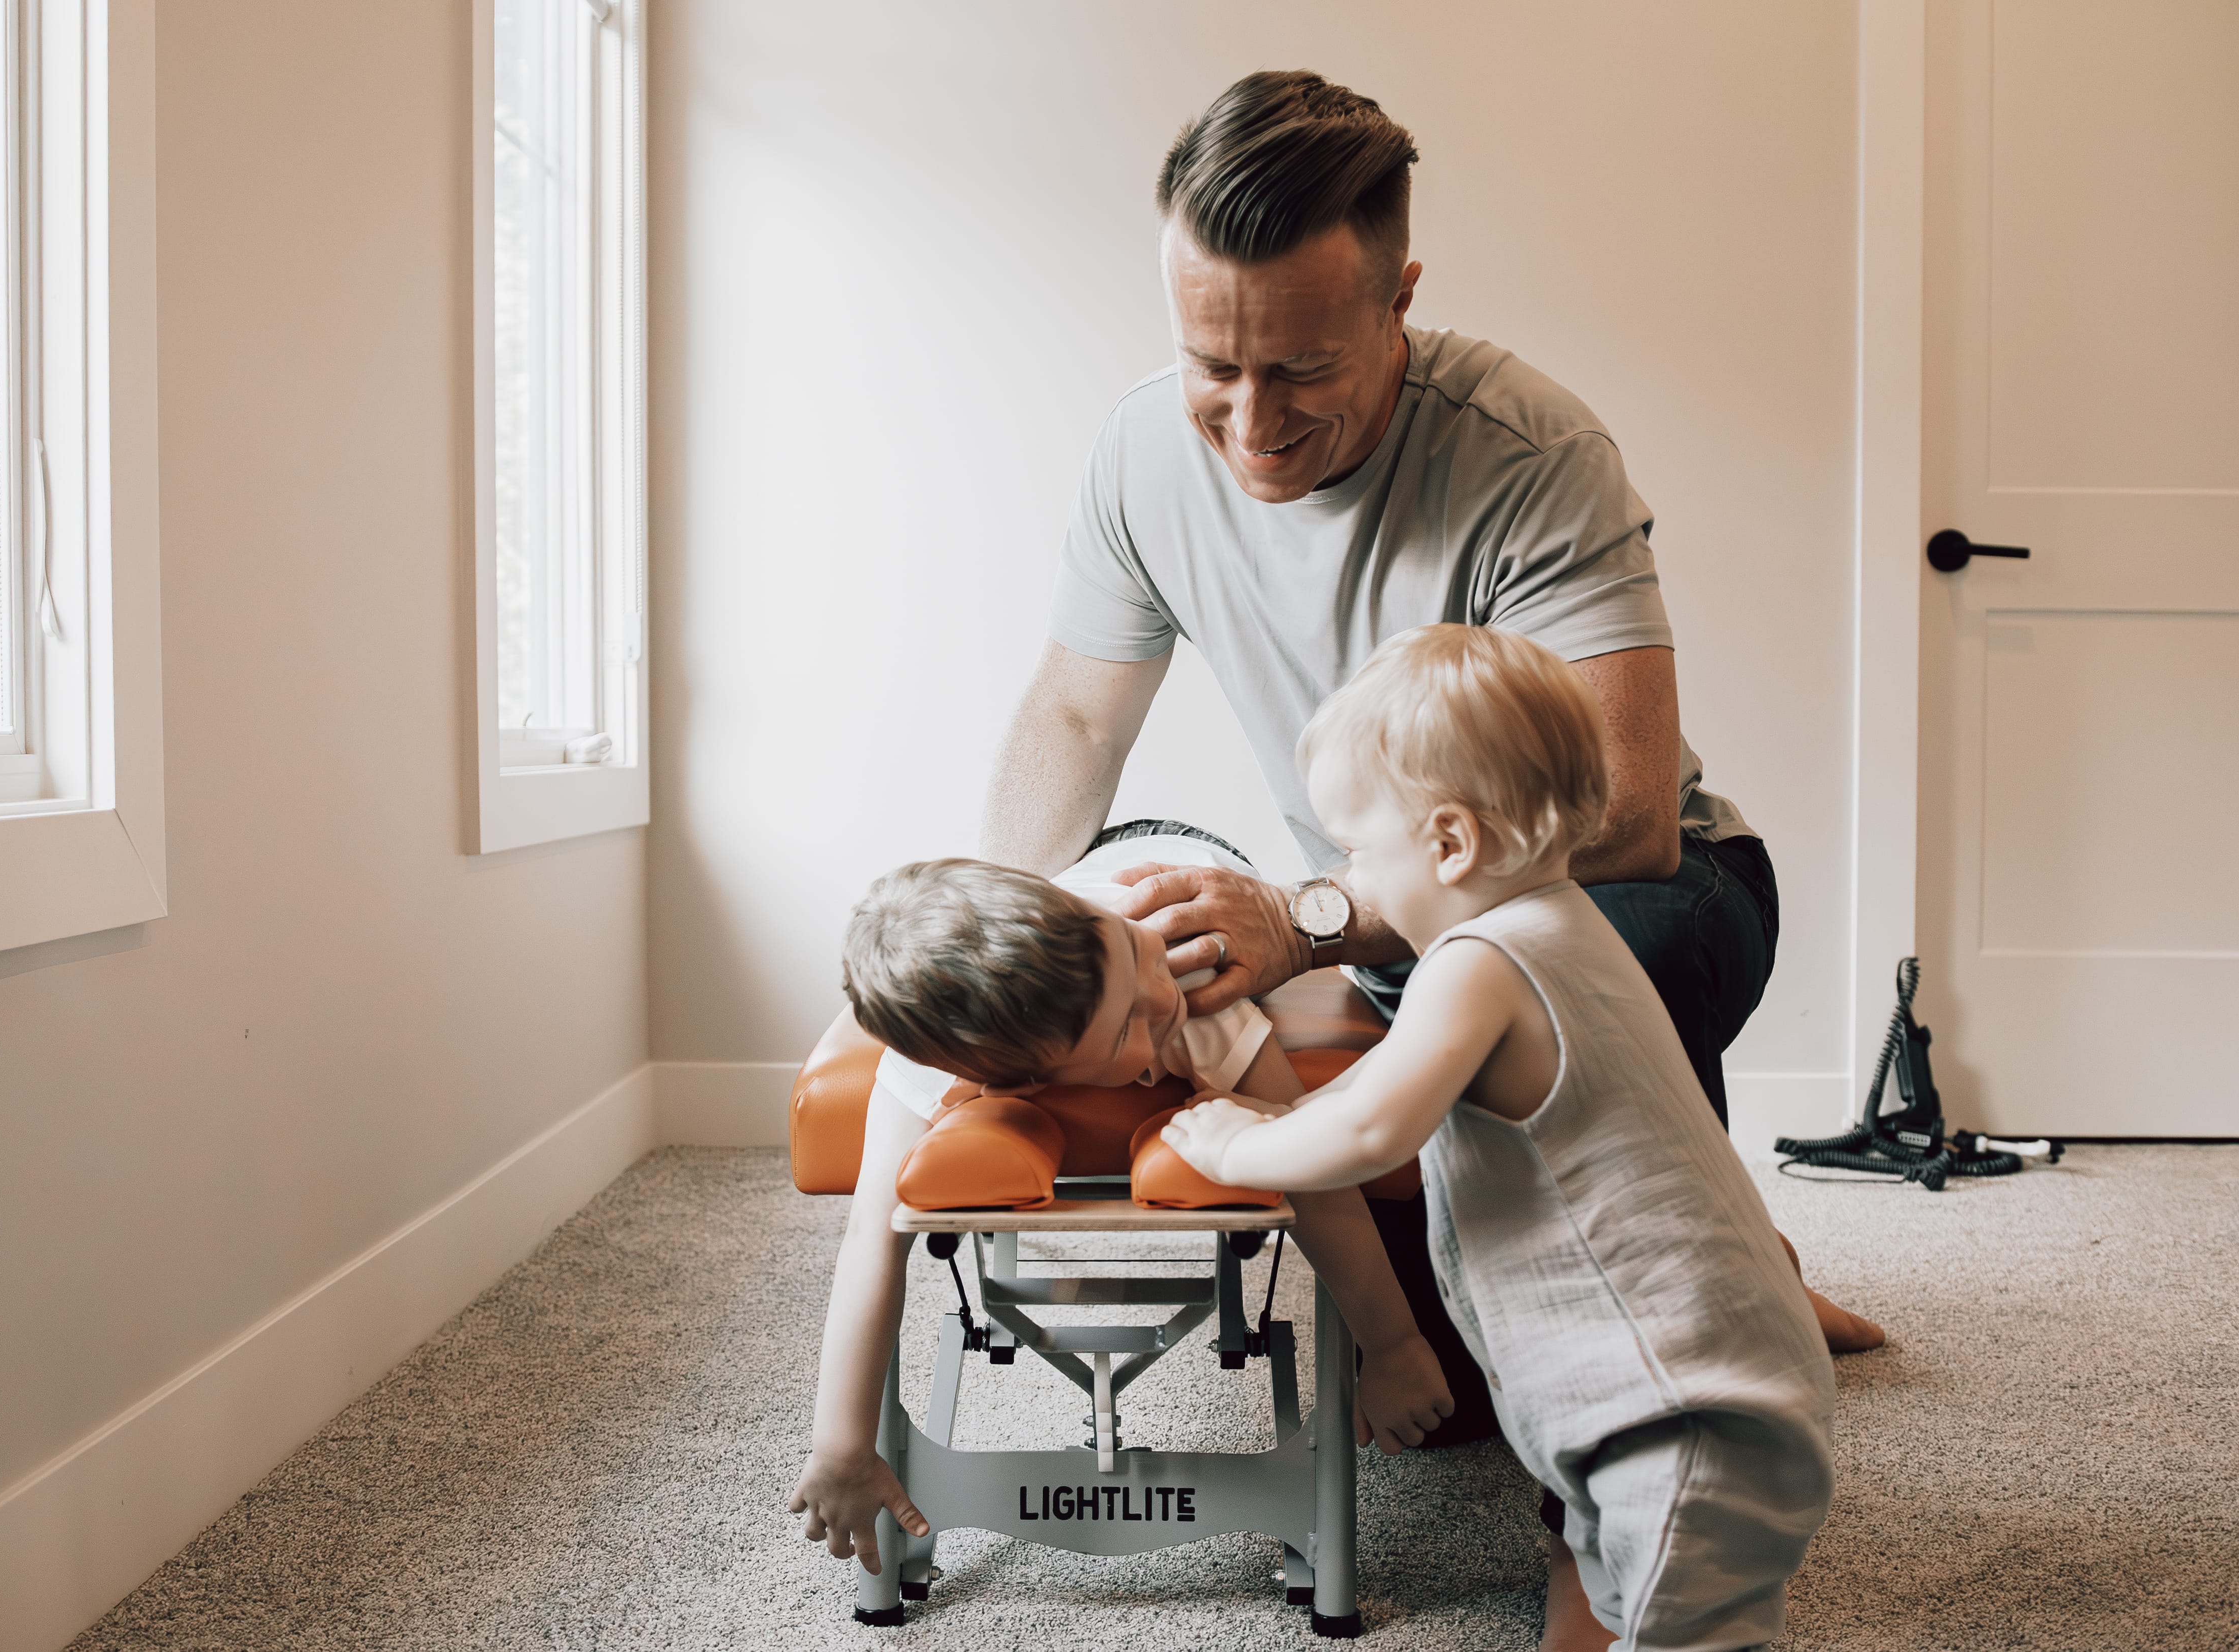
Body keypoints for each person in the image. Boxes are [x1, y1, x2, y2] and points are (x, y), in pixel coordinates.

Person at [979, 69, 1876, 1648]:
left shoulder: (1529, 449)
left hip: (1617, 889)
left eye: (1304, 367)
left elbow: (1623, 809)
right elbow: (1069, 714)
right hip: (1395, 914)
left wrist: (1314, 912)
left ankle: (1595, 1516)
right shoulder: (1141, 456)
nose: (1251, 423)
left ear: (1400, 298)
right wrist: (995, 937)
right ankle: (1746, 1253)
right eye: (1212, 363)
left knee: (1584, 945)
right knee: (1443, 1380)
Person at [1163, 626, 1835, 1651]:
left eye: (1356, 851)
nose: (1349, 877)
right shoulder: (1564, 925)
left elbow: (1373, 1123)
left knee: (1692, 1631)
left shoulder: (1479, 964)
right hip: (1661, 1394)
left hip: (1682, 1413)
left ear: (1449, 844)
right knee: (1627, 1610)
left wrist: (1233, 1146)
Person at [784, 829, 1456, 1576]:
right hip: (1076, 934)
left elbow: (1318, 1174)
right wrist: (841, 1446)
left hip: (1180, 858)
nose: (1160, 1000)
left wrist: (1392, 1343)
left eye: (1134, 965)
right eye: (1126, 1032)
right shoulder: (921, 1070)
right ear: (1015, 1084)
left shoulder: (1188, 976)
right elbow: (871, 1245)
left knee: (1160, 965)